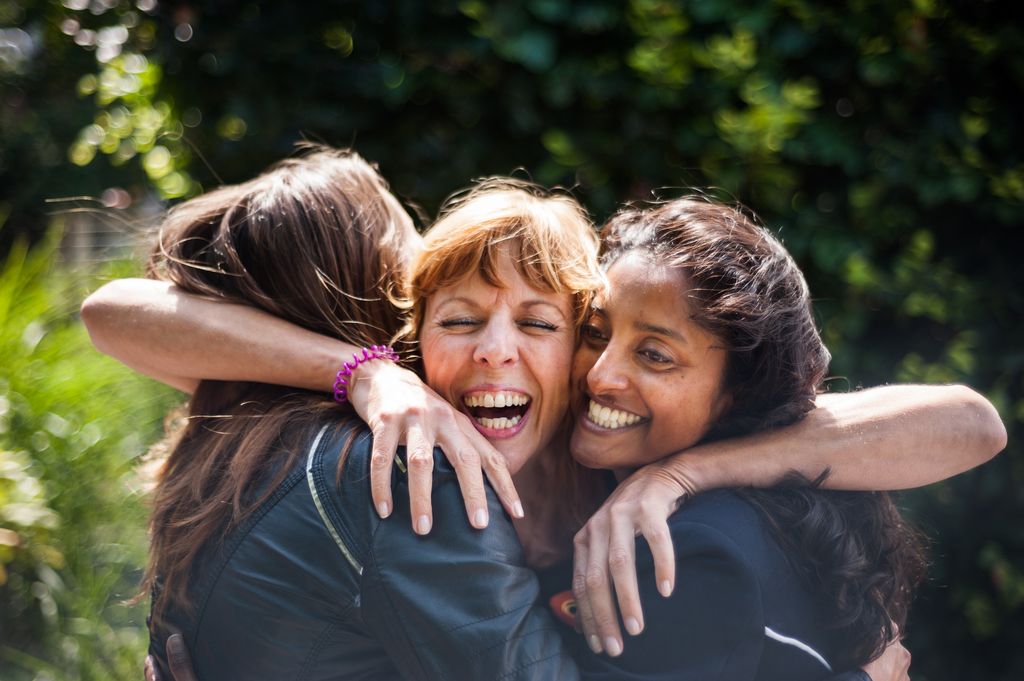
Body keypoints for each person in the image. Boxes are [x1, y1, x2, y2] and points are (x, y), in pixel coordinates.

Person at [83, 171, 1004, 679]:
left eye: (541, 324)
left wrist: (681, 475)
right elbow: (114, 311)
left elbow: (971, 422)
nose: (496, 351)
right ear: (410, 335)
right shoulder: (412, 427)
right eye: (452, 317)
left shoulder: (620, 435)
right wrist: (359, 372)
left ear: (571, 345)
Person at [564, 197, 928, 678]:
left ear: (735, 394)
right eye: (594, 331)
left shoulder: (692, 549)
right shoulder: (771, 505)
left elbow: (977, 424)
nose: (600, 375)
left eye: (654, 355)